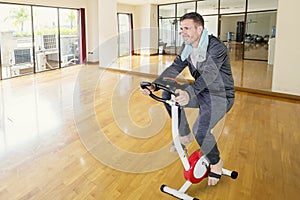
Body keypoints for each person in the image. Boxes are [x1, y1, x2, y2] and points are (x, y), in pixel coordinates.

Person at [140, 12, 235, 186]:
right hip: (202, 92)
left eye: (187, 28)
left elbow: (209, 75)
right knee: (168, 92)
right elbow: (175, 67)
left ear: (199, 29)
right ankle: (184, 134)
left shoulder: (216, 47)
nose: (182, 32)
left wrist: (189, 93)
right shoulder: (187, 47)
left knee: (201, 129)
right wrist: (155, 85)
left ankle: (216, 162)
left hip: (220, 95)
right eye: (181, 28)